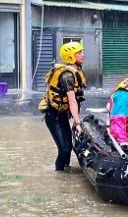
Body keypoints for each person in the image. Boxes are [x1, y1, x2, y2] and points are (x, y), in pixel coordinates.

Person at [43, 41, 86, 172]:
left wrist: (74, 119)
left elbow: (77, 99)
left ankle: (65, 171)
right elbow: (72, 100)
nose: (83, 55)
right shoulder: (67, 76)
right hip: (53, 116)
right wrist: (77, 122)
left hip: (62, 115)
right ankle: (59, 173)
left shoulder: (76, 71)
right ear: (70, 56)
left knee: (69, 147)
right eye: (79, 53)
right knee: (64, 149)